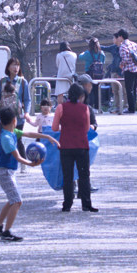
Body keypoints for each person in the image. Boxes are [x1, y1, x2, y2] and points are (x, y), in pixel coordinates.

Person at [0, 107, 58, 242]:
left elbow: (29, 134)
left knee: (12, 199)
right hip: (4, 172)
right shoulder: (6, 138)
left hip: (8, 172)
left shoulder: (12, 132)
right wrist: (31, 164)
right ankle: (6, 232)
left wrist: (47, 136)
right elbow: (18, 157)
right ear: (14, 120)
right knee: (17, 201)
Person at [53, 83, 97, 212]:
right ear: (80, 96)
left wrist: (65, 127)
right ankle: (86, 204)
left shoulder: (61, 108)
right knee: (84, 175)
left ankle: (67, 204)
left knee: (68, 176)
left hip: (65, 145)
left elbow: (55, 128)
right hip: (82, 145)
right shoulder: (85, 109)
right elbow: (86, 128)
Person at [114, 29, 137, 113]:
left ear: (121, 37)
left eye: (118, 36)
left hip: (129, 70)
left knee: (129, 89)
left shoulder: (122, 47)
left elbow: (125, 59)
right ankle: (133, 106)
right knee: (134, 89)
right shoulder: (134, 44)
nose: (118, 38)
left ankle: (131, 108)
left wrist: (121, 64)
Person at [78, 39, 106, 109]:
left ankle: (89, 106)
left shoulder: (87, 53)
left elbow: (80, 57)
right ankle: (97, 107)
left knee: (89, 90)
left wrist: (82, 53)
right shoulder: (102, 53)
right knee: (97, 90)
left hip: (89, 74)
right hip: (99, 74)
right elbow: (103, 62)